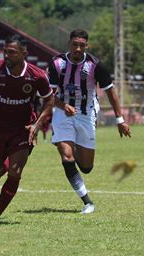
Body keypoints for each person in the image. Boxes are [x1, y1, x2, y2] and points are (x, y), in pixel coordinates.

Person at [0, 34, 54, 225]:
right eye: (5, 51)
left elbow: (49, 100)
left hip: (22, 129)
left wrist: (37, 125)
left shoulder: (37, 75)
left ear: (24, 53)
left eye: (12, 52)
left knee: (15, 172)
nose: (7, 56)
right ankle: (5, 163)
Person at [48, 29, 131, 214]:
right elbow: (48, 96)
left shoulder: (95, 65)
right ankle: (87, 202)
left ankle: (73, 144)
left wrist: (120, 119)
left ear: (87, 46)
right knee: (66, 157)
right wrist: (63, 106)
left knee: (86, 167)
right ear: (69, 43)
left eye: (82, 45)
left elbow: (111, 92)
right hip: (63, 112)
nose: (78, 48)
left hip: (87, 113)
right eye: (75, 44)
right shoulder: (57, 63)